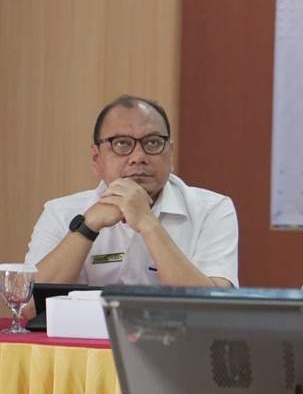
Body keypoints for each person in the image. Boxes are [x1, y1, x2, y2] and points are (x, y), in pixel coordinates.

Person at [25, 95, 239, 287]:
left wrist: (148, 223)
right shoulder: (60, 212)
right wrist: (87, 226)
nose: (138, 157)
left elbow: (215, 306)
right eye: (122, 144)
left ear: (170, 153)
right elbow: (28, 305)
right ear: (96, 158)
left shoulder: (211, 209)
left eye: (153, 142)